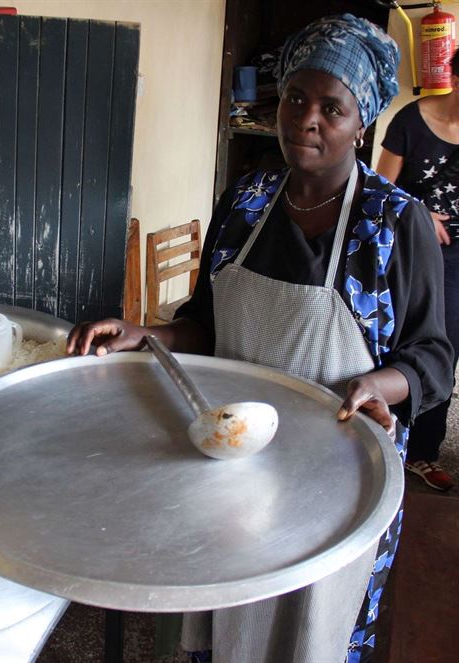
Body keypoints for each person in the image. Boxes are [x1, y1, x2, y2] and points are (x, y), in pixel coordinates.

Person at [67, 14, 453, 663]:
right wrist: (146, 334)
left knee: (311, 630)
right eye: (296, 98)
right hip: (236, 465)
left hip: (338, 472)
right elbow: (208, 325)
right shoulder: (246, 201)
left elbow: (433, 357)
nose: (307, 119)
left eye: (332, 108)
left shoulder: (394, 222)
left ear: (361, 124)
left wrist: (377, 384)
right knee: (228, 614)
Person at [375, 48, 459, 492]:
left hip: (457, 261)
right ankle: (381, 433)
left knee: (445, 352)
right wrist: (420, 215)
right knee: (399, 344)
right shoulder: (411, 121)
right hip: (409, 253)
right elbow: (378, 190)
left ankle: (423, 453)